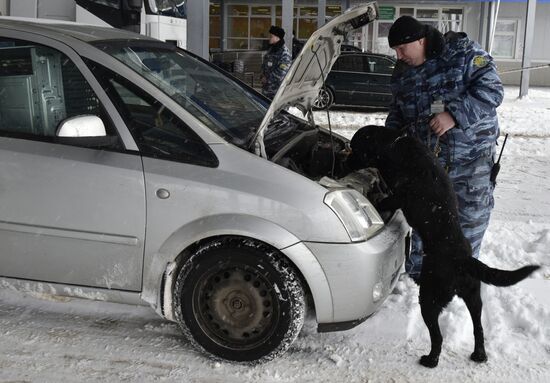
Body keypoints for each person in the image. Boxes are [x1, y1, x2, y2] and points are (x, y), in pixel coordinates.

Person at [384, 16, 504, 281]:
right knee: (426, 220)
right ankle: (420, 277)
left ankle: (462, 276)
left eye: (402, 48)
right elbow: (398, 109)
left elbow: (493, 90)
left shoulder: (462, 53)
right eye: (394, 51)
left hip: (470, 161)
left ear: (420, 40)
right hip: (427, 163)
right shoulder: (402, 71)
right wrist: (389, 140)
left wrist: (453, 115)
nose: (399, 55)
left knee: (468, 222)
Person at [260, 25, 292, 99]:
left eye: (271, 36)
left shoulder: (284, 53)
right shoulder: (271, 49)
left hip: (277, 93)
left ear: (277, 38)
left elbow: (281, 73)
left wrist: (267, 78)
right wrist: (262, 76)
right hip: (266, 91)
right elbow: (264, 65)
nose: (269, 38)